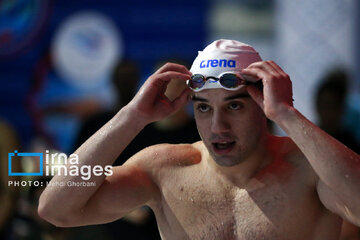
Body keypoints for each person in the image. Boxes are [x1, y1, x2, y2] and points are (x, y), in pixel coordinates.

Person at [38, 39, 360, 239]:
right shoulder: (165, 169)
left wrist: (288, 114)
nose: (217, 125)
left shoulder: (308, 169)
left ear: (264, 105)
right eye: (204, 108)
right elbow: (56, 209)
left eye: (234, 105)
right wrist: (131, 116)